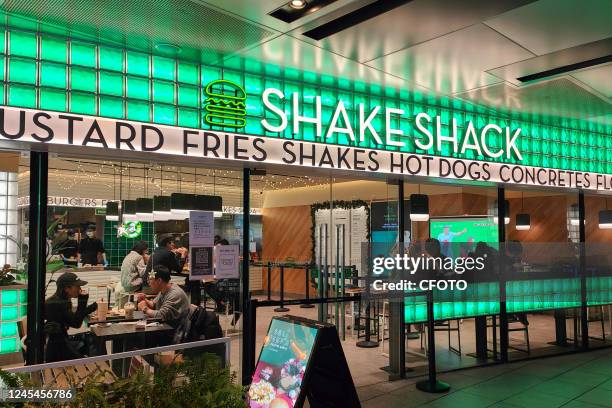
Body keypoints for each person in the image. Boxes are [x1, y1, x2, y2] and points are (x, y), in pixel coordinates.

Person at [44, 272, 98, 362]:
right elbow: (76, 324)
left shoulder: (59, 300)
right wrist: (83, 302)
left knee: (91, 337)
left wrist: (86, 306)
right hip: (58, 350)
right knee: (93, 342)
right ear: (67, 288)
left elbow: (74, 320)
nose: (80, 289)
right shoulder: (57, 304)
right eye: (77, 286)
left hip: (60, 342)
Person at [136, 265, 190, 344]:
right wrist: (145, 300)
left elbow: (161, 315)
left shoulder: (175, 294)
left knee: (142, 336)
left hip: (174, 332)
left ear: (159, 280)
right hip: (166, 326)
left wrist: (144, 308)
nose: (149, 283)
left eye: (150, 279)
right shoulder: (164, 289)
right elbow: (154, 304)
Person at [115, 241, 149, 308]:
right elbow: (143, 273)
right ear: (142, 249)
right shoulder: (139, 257)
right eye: (146, 250)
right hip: (131, 285)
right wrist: (148, 262)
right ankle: (142, 307)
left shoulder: (129, 255)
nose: (147, 252)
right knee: (148, 282)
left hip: (124, 283)